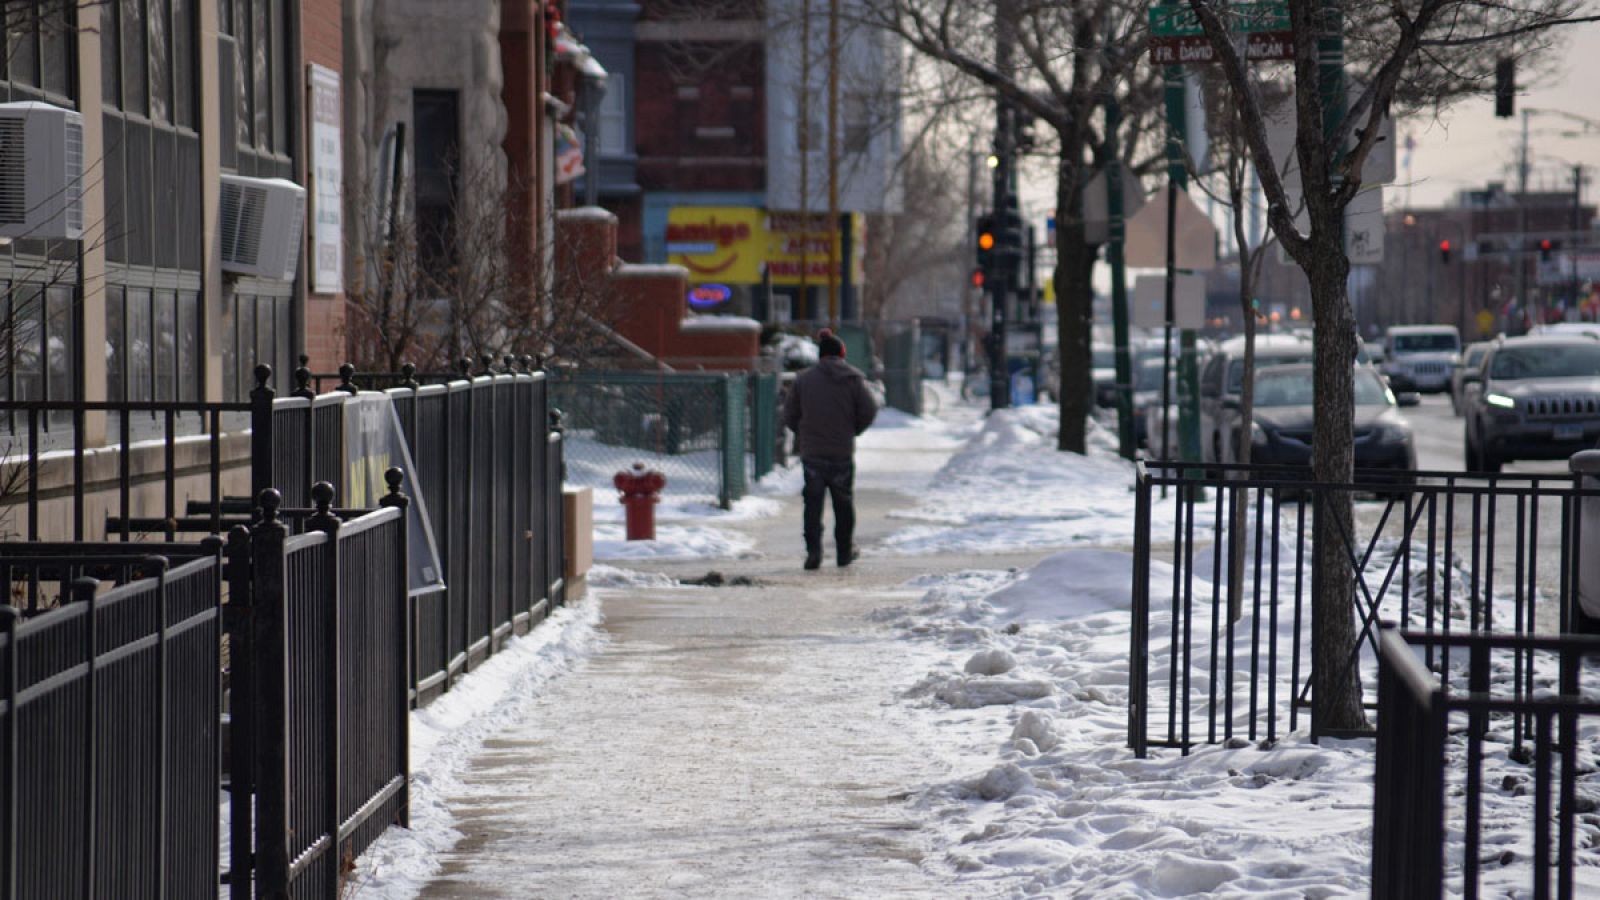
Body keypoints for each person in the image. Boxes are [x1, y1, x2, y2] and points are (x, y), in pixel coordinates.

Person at [783, 330, 878, 569]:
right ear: (841, 355)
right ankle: (844, 551)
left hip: (812, 452)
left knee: (812, 503)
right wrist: (852, 429)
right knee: (843, 502)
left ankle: (814, 551)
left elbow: (789, 414)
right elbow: (870, 409)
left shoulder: (803, 380)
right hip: (841, 452)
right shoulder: (854, 378)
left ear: (821, 355)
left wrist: (803, 432)